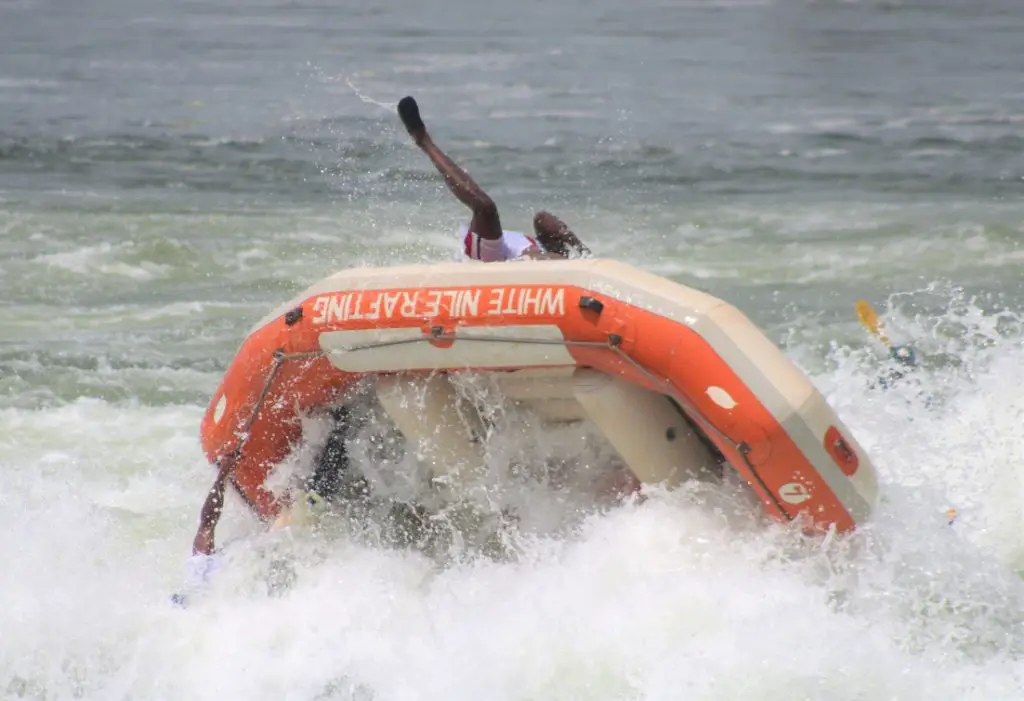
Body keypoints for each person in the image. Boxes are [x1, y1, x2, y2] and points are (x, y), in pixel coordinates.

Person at [397, 95, 591, 262]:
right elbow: (543, 234)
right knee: (526, 215)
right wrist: (583, 255)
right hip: (499, 248)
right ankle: (423, 140)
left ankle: (423, 141)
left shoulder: (549, 261)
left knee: (486, 208)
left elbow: (530, 261)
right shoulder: (550, 254)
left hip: (493, 257)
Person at [171, 451, 237, 606]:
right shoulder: (200, 570)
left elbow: (207, 523)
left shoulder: (199, 571)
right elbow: (208, 521)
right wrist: (223, 474)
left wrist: (223, 474)